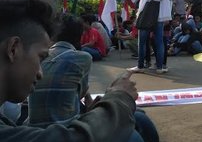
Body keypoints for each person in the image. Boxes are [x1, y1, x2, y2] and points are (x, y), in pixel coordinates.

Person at [0, 0, 138, 141]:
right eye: (41, 57)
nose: (41, 73)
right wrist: (120, 97)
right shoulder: (82, 57)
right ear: (13, 49)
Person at [27, 14, 160, 142]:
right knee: (135, 127)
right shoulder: (81, 58)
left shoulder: (37, 58)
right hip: (67, 132)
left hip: (43, 128)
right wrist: (117, 94)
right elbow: (82, 93)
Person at [128, 0, 173, 74]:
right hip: (161, 16)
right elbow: (168, 2)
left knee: (142, 41)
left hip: (148, 16)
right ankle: (160, 67)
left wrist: (139, 15)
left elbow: (143, 1)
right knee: (160, 42)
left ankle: (140, 66)